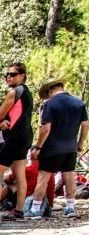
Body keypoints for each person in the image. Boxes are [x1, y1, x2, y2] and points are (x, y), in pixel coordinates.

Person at [0, 63, 34, 225]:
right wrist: (4, 122)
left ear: (22, 76)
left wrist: (2, 121)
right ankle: (19, 211)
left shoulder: (14, 92)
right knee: (19, 174)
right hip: (25, 137)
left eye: (13, 74)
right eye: (7, 74)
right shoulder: (27, 92)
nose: (9, 77)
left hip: (15, 139)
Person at [29, 78, 88, 219]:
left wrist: (38, 147)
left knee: (43, 178)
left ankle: (36, 209)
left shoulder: (50, 104)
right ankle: (70, 207)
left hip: (52, 147)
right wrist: (80, 143)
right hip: (71, 147)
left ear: (50, 90)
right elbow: (86, 124)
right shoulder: (79, 103)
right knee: (69, 176)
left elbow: (46, 128)